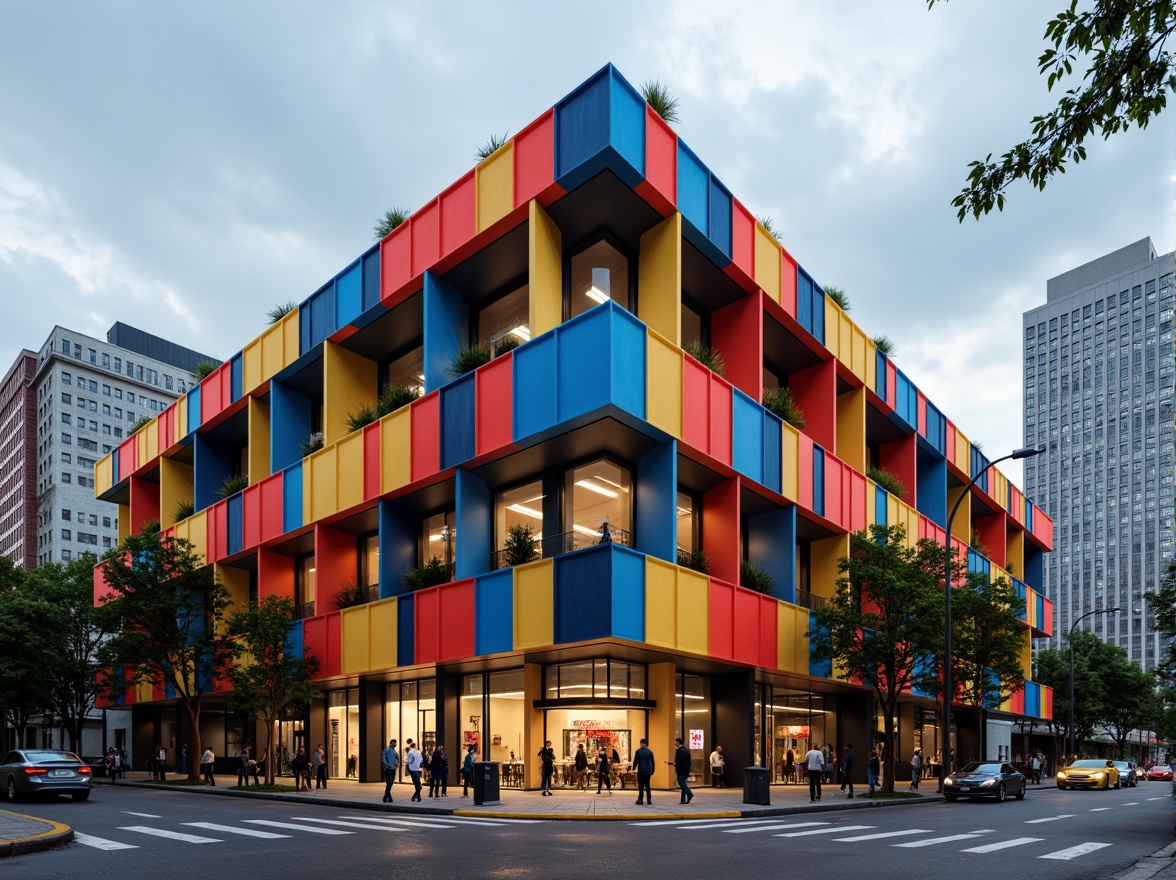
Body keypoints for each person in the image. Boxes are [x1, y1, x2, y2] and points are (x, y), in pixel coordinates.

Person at [667, 737, 693, 804]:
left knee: (681, 783)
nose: (675, 743)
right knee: (683, 783)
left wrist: (675, 763)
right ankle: (683, 800)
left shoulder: (682, 750)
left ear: (678, 742)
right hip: (684, 769)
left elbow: (681, 760)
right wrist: (672, 763)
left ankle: (689, 794)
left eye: (675, 742)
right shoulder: (683, 750)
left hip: (682, 769)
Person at [632, 738, 655, 805]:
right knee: (647, 785)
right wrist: (653, 770)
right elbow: (653, 762)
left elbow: (635, 761)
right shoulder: (650, 752)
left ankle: (640, 799)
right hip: (648, 772)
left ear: (641, 743)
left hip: (641, 771)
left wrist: (633, 768)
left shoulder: (638, 751)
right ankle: (649, 800)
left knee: (641, 785)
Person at [381, 738, 399, 803]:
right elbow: (383, 758)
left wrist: (397, 764)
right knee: (389, 783)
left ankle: (386, 797)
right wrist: (387, 765)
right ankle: (388, 798)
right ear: (391, 743)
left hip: (392, 769)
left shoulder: (394, 752)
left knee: (390, 783)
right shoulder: (387, 750)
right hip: (388, 769)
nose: (395, 744)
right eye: (394, 743)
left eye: (395, 743)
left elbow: (397, 759)